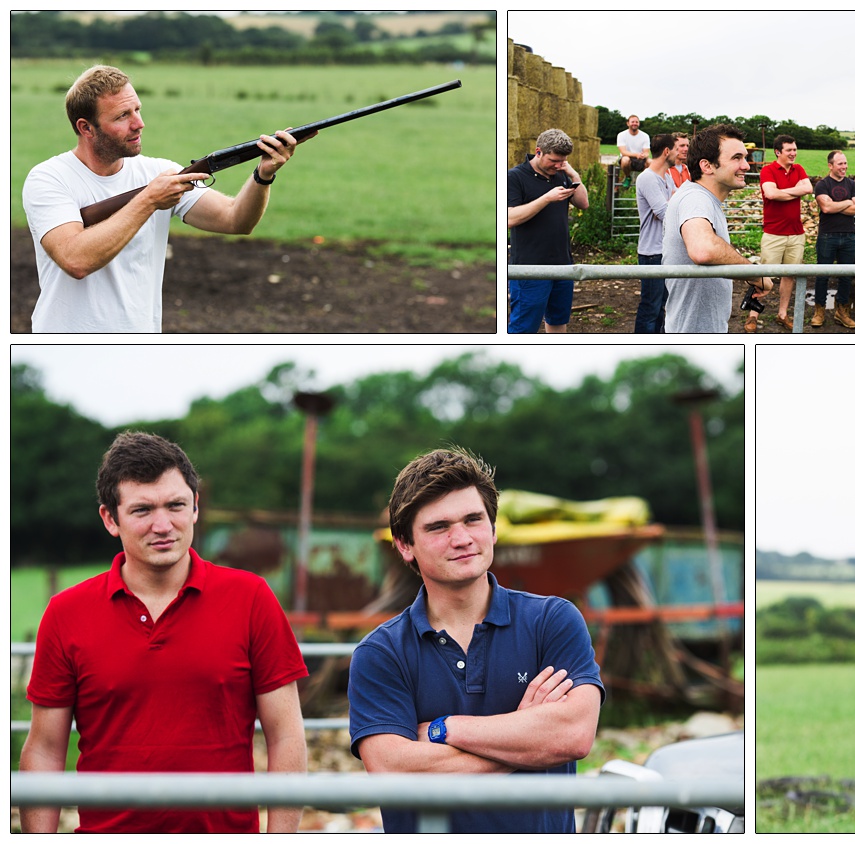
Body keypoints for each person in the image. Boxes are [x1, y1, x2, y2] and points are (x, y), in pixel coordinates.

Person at [21, 431, 308, 833]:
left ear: (194, 507)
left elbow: (286, 737)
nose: (163, 525)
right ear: (110, 519)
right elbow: (47, 749)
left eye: (175, 505)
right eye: (142, 510)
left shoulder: (251, 598)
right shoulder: (66, 612)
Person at [347, 447, 604, 833]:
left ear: (494, 528)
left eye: (473, 519)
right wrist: (527, 735)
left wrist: (443, 729)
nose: (462, 538)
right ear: (404, 545)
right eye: (439, 527)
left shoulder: (553, 621)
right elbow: (393, 771)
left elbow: (572, 735)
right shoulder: (380, 653)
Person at [22, 64, 311, 333]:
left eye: (137, 109)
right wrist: (149, 200)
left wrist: (263, 174)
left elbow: (235, 219)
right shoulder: (48, 178)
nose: (139, 123)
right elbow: (76, 260)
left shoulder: (158, 172)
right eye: (123, 116)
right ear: (86, 128)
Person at [662, 123, 769, 333]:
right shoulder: (695, 198)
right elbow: (704, 249)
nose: (746, 166)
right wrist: (755, 274)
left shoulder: (703, 198)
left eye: (745, 158)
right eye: (736, 158)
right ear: (707, 166)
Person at [507, 128, 589, 333]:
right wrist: (547, 198)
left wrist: (573, 174)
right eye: (554, 160)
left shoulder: (561, 174)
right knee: (524, 327)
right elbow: (509, 218)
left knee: (558, 321)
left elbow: (583, 203)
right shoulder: (515, 177)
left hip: (562, 264)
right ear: (538, 152)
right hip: (530, 268)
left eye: (563, 161)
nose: (558, 165)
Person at [758, 134, 813, 331]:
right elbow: (771, 194)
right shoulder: (768, 170)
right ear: (778, 152)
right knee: (764, 275)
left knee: (789, 275)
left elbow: (808, 188)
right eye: (789, 150)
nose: (793, 153)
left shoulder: (799, 169)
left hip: (796, 233)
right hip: (774, 232)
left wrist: (785, 192)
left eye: (795, 150)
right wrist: (795, 190)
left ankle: (782, 313)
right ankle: (753, 315)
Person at [812, 150, 855, 329]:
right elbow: (826, 208)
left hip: (849, 236)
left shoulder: (852, 185)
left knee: (846, 276)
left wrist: (836, 205)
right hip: (828, 236)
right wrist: (848, 202)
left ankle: (841, 311)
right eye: (840, 164)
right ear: (830, 165)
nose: (844, 167)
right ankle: (819, 311)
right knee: (822, 275)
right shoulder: (822, 185)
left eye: (845, 163)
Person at [634, 132, 678, 333]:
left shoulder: (666, 177)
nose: (679, 154)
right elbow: (664, 212)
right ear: (667, 151)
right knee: (650, 306)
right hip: (652, 252)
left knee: (662, 306)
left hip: (665, 250)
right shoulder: (648, 178)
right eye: (677, 150)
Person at [616, 114, 650, 190]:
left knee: (651, 162)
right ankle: (628, 177)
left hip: (640, 159)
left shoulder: (645, 136)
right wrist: (636, 155)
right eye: (632, 122)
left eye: (636, 122)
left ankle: (645, 181)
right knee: (625, 160)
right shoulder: (621, 135)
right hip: (628, 158)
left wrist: (643, 155)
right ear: (628, 123)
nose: (634, 123)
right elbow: (623, 152)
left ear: (639, 123)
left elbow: (647, 152)